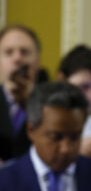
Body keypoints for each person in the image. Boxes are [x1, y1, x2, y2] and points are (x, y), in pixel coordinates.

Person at [0, 82, 91, 191]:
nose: (66, 149)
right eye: (56, 137)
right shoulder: (4, 182)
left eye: (75, 137)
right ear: (31, 129)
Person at [0, 25, 40, 163]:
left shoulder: (51, 102)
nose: (17, 59)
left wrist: (32, 103)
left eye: (24, 52)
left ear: (38, 60)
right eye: (9, 52)